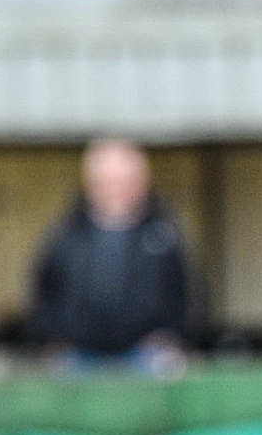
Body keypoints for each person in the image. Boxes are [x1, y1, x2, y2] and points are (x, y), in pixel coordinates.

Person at [29, 138, 195, 373]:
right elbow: (44, 293)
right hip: (78, 356)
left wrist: (169, 336)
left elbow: (185, 295)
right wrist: (53, 340)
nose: (116, 188)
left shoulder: (164, 236)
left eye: (125, 180)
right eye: (107, 180)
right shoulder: (65, 237)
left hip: (145, 355)